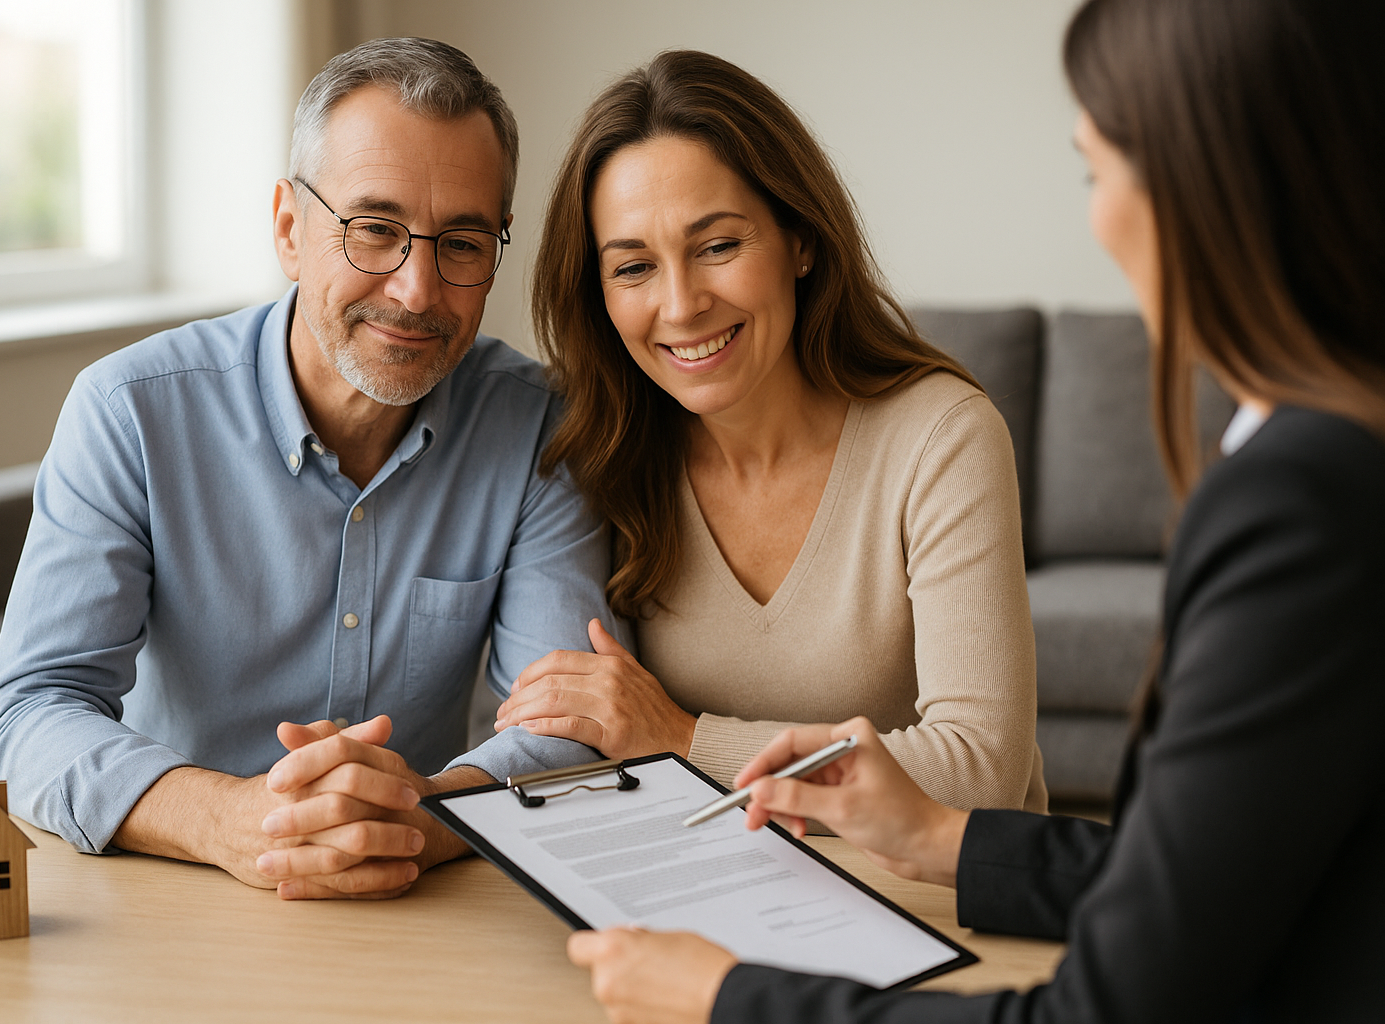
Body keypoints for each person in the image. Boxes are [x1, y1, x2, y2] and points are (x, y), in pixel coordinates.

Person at [565, 0, 1385, 1019]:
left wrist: (734, 1000)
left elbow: (1112, 1002)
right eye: (633, 264)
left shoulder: (1300, 499)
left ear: (1203, 181)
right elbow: (1202, 886)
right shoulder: (1325, 460)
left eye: (1098, 167)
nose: (679, 301)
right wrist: (947, 838)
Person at [0, 38, 627, 900]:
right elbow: (28, 715)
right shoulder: (129, 411)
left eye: (462, 243)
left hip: (416, 891)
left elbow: (571, 724)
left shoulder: (542, 429)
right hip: (169, 885)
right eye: (374, 231)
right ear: (290, 227)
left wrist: (421, 816)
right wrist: (231, 819)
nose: (417, 289)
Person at [493, 50, 1046, 813]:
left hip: (934, 903)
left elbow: (981, 771)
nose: (681, 305)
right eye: (633, 268)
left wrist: (686, 741)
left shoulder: (941, 438)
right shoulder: (605, 452)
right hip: (720, 892)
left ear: (801, 241)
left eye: (718, 246)